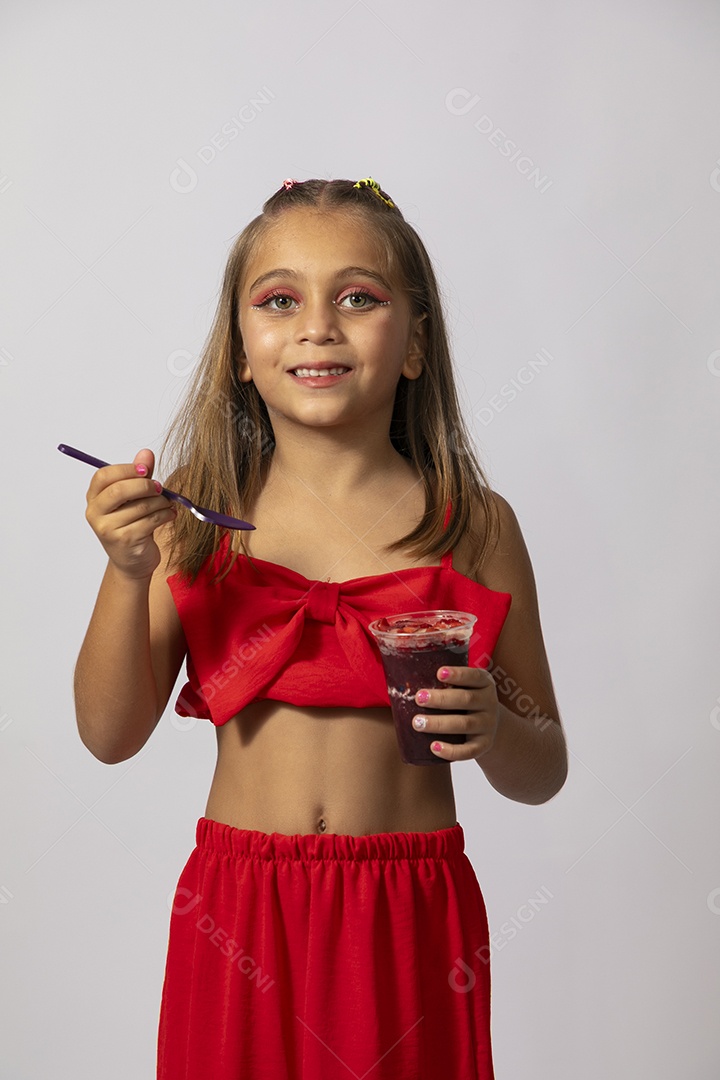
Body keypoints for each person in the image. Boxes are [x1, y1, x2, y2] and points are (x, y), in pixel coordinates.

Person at [74, 176, 568, 1079]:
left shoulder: (475, 524)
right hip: (240, 913)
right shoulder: (194, 520)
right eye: (279, 300)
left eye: (359, 297)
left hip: (410, 915)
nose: (318, 325)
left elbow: (545, 768)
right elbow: (109, 735)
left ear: (416, 343)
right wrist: (126, 569)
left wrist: (498, 728)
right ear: (238, 351)